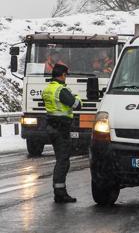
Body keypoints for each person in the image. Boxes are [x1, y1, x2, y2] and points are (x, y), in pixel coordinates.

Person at [43, 64, 82, 203]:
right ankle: (60, 193)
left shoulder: (48, 89)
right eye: (66, 75)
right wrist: (76, 97)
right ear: (63, 75)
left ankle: (59, 191)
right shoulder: (61, 90)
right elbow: (76, 105)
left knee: (61, 159)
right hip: (61, 129)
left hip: (51, 127)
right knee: (63, 161)